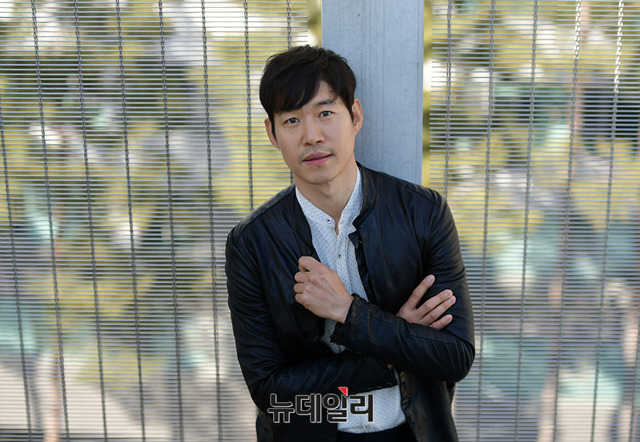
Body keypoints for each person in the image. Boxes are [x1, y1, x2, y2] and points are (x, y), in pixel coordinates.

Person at [225, 45, 475, 442]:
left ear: (355, 116)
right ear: (272, 133)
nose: (312, 136)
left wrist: (348, 312)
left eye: (325, 113)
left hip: (412, 432)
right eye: (292, 120)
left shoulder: (423, 213)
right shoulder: (252, 243)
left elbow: (454, 356)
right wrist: (393, 348)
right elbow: (270, 392)